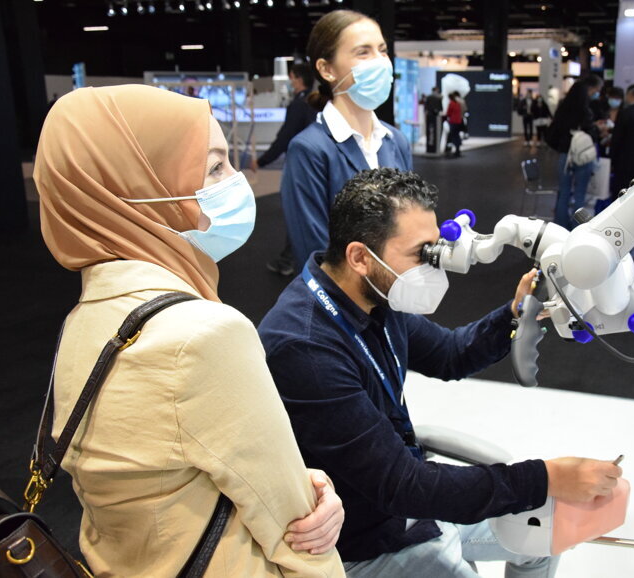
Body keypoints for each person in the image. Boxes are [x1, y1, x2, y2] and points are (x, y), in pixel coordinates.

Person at [33, 84, 345, 577]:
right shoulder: (203, 334)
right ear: (139, 188)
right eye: (216, 167)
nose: (236, 180)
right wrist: (307, 500)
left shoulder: (86, 320)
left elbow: (155, 477)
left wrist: (294, 479)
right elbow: (297, 530)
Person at [258, 167, 623, 577]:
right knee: (536, 500)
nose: (433, 267)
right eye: (422, 253)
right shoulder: (305, 347)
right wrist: (544, 477)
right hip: (362, 542)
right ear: (360, 256)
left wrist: (513, 313)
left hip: (412, 509)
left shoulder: (374, 295)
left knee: (545, 534)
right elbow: (402, 485)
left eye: (437, 250)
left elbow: (450, 355)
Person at [282, 9, 412, 267]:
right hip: (343, 303)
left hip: (398, 295)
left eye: (382, 50)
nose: (380, 61)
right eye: (363, 52)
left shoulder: (395, 141)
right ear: (327, 69)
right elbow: (315, 253)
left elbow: (409, 227)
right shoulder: (310, 150)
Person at [250, 61, 319, 277]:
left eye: (292, 78)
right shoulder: (318, 101)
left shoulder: (300, 104)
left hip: (301, 167)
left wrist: (262, 161)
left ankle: (290, 260)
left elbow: (284, 138)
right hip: (317, 165)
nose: (290, 82)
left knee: (296, 210)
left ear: (298, 78)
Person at [545, 74, 603, 229]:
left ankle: (560, 226)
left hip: (565, 155)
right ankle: (578, 228)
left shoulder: (563, 108)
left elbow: (553, 132)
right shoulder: (585, 111)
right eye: (595, 91)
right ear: (590, 89)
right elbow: (592, 133)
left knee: (563, 192)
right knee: (580, 194)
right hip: (582, 156)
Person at [424, 86, 443, 154]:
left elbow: (426, 107)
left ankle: (431, 147)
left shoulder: (429, 97)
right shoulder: (439, 97)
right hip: (435, 117)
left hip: (430, 116)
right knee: (434, 132)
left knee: (431, 132)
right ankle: (434, 147)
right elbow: (440, 108)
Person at [445, 90, 463, 158]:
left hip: (453, 122)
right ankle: (458, 149)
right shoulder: (457, 104)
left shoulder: (451, 103)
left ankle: (455, 149)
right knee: (457, 135)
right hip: (458, 121)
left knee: (454, 136)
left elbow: (448, 113)